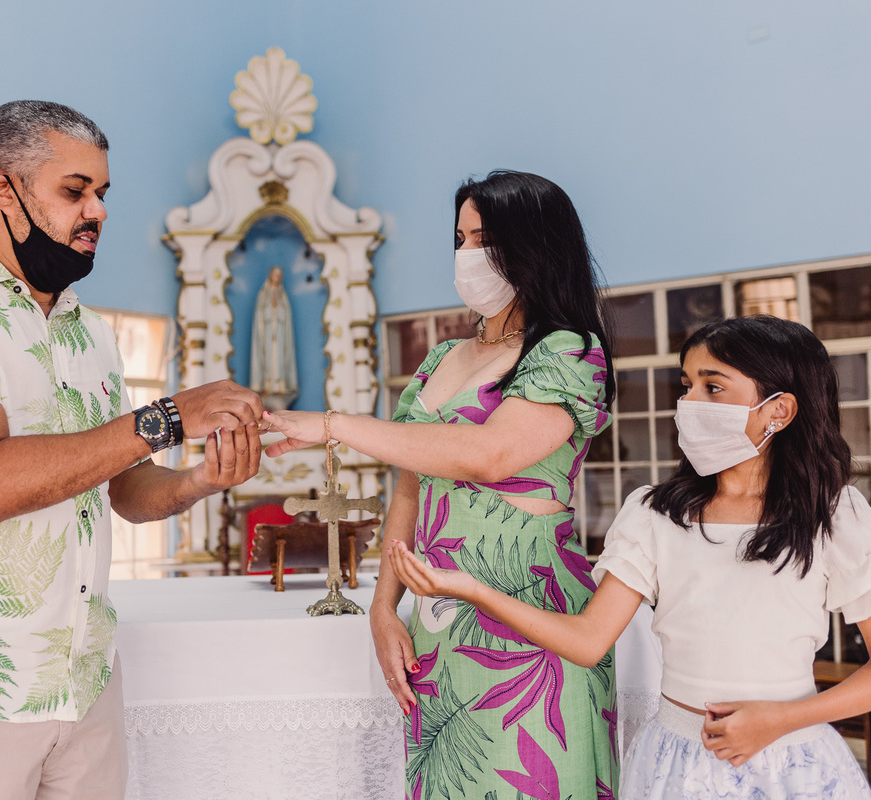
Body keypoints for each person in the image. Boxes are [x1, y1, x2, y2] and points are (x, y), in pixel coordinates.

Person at [0, 100, 264, 800]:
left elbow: (123, 490)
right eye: (75, 192)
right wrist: (165, 415)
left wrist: (200, 476)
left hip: (83, 690)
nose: (97, 210)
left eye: (102, 193)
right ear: (2, 190)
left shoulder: (91, 335)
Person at [388, 314, 871, 799]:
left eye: (713, 386)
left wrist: (783, 719)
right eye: (687, 385)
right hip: (675, 765)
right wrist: (471, 588)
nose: (690, 403)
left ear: (778, 409)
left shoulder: (834, 515)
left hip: (789, 761)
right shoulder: (654, 513)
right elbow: (585, 640)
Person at [265, 170, 620, 799]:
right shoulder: (441, 358)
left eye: (485, 239)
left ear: (537, 245)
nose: (468, 256)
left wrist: (333, 424)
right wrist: (384, 605)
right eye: (461, 238)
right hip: (439, 615)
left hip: (528, 611)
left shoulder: (567, 350)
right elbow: (412, 487)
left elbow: (487, 454)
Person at [249, 264, 298, 411]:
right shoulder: (263, 295)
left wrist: (278, 315)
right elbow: (260, 317)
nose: (276, 278)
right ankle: (265, 387)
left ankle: (279, 388)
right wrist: (271, 315)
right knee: (266, 359)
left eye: (279, 275)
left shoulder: (283, 297)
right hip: (267, 336)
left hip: (281, 335)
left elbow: (286, 318)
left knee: (279, 360)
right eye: (274, 275)